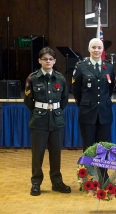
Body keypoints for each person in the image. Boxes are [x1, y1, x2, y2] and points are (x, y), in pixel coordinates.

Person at [24, 47, 71, 196]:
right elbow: (28, 100)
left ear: (55, 61)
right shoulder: (33, 78)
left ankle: (56, 182)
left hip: (56, 121)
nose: (48, 61)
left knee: (56, 153)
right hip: (39, 121)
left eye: (50, 59)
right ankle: (36, 183)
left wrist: (55, 111)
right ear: (39, 60)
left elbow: (64, 99)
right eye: (45, 59)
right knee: (37, 155)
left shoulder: (60, 78)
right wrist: (40, 111)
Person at [72, 38, 115, 181]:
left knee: (104, 147)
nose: (96, 50)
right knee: (88, 146)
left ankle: (103, 174)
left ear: (103, 50)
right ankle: (88, 176)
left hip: (104, 113)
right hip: (87, 113)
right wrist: (84, 104)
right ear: (89, 49)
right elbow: (76, 90)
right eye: (94, 47)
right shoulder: (81, 66)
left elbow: (110, 88)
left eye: (99, 48)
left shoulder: (108, 67)